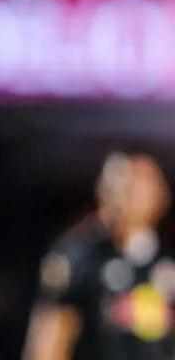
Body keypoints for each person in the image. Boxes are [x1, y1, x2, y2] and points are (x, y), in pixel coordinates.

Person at [23, 151, 175, 360]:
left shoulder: (166, 262)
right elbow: (49, 340)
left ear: (162, 195)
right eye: (125, 184)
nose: (132, 193)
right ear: (103, 190)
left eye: (142, 184)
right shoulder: (79, 256)